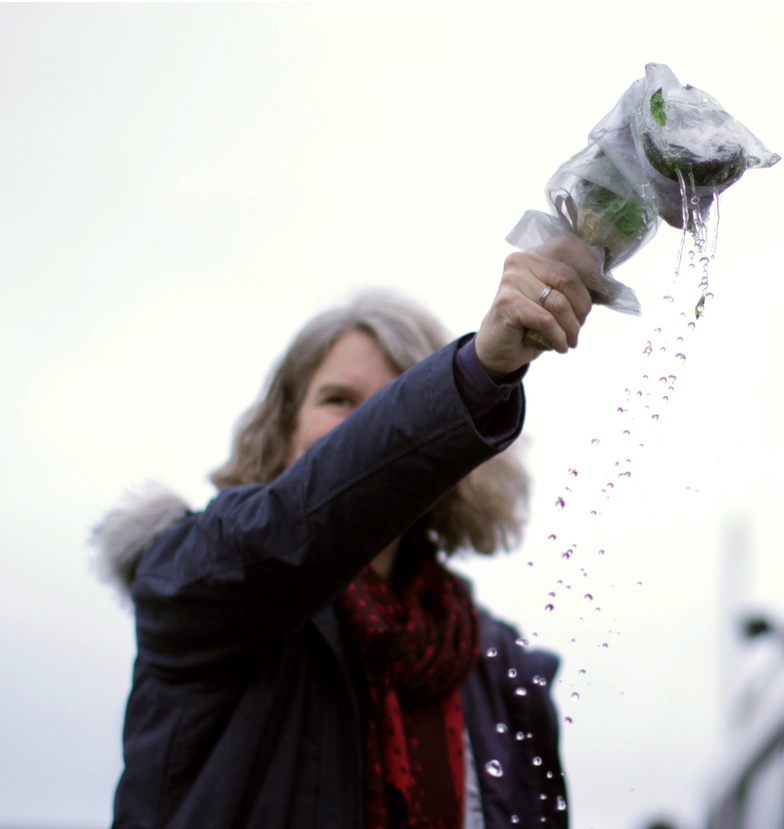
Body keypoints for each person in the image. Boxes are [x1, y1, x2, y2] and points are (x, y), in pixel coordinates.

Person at [94, 234, 599, 829]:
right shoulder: (200, 577)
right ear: (281, 431)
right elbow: (295, 522)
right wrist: (479, 371)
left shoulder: (497, 667)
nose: (367, 425)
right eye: (337, 399)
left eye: (394, 401)